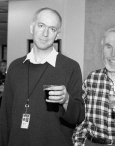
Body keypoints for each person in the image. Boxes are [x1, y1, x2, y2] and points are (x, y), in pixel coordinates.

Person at [0, 7, 84, 146]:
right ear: (32, 28)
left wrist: (66, 100)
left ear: (57, 35)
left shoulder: (71, 67)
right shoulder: (15, 67)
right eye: (41, 26)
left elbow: (78, 117)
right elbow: (5, 117)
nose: (45, 33)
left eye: (52, 29)